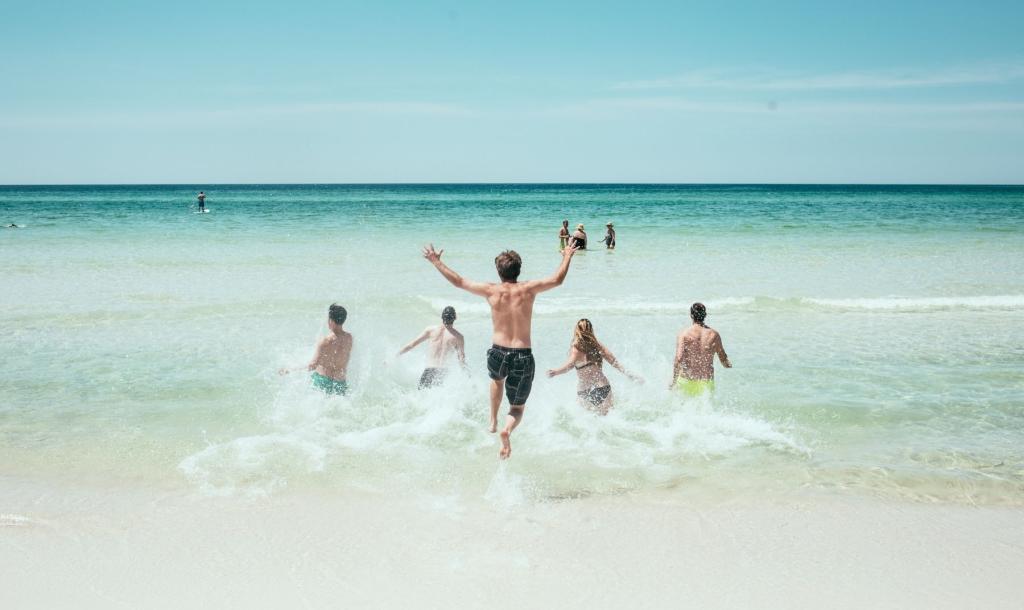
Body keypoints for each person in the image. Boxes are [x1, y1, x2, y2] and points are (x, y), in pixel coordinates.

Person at [422, 242, 578, 459]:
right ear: (519, 270)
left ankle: (493, 420)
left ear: (498, 271)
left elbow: (458, 281)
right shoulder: (528, 289)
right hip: (523, 354)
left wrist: (436, 261)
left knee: (496, 381)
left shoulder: (491, 290)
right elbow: (557, 279)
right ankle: (507, 429)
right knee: (517, 408)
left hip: (497, 352)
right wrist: (567, 255)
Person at [547, 319, 642, 415]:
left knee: (589, 422)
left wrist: (556, 372)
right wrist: (629, 374)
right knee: (608, 418)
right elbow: (613, 361)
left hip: (584, 392)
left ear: (576, 330)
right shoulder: (596, 344)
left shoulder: (576, 347)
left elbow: (569, 365)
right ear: (591, 330)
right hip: (602, 387)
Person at [280, 303, 353, 395]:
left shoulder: (325, 341)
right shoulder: (349, 338)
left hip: (323, 381)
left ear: (331, 321)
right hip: (340, 383)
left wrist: (290, 370)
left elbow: (313, 365)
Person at [397, 306, 467, 389]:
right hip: (443, 373)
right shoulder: (458, 337)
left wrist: (395, 355)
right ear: (455, 318)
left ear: (442, 317)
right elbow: (461, 360)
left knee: (421, 397)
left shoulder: (431, 330)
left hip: (429, 371)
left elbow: (412, 345)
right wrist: (468, 377)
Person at [671, 302, 731, 396]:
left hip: (687, 381)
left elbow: (679, 358)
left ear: (691, 315)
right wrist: (727, 364)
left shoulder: (684, 334)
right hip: (705, 382)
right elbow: (723, 358)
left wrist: (673, 381)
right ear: (705, 315)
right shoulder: (714, 334)